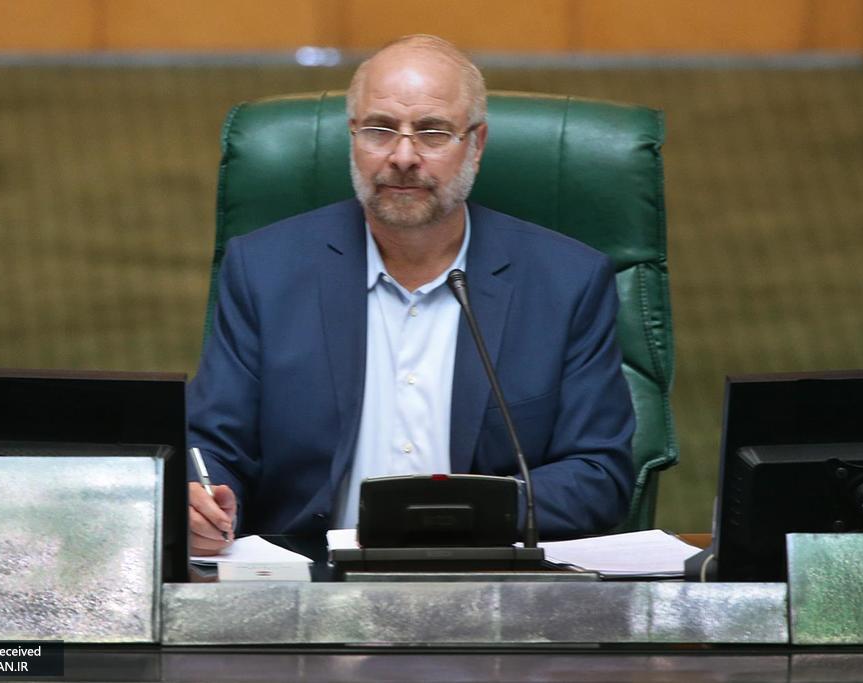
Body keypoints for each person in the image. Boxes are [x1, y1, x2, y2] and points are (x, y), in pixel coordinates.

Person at [186, 35, 635, 556]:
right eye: (380, 130)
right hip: (312, 579)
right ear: (353, 137)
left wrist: (460, 512)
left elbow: (599, 474)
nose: (403, 157)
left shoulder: (567, 282)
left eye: (432, 132)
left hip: (489, 576)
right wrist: (201, 500)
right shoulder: (264, 271)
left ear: (476, 144)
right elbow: (213, 444)